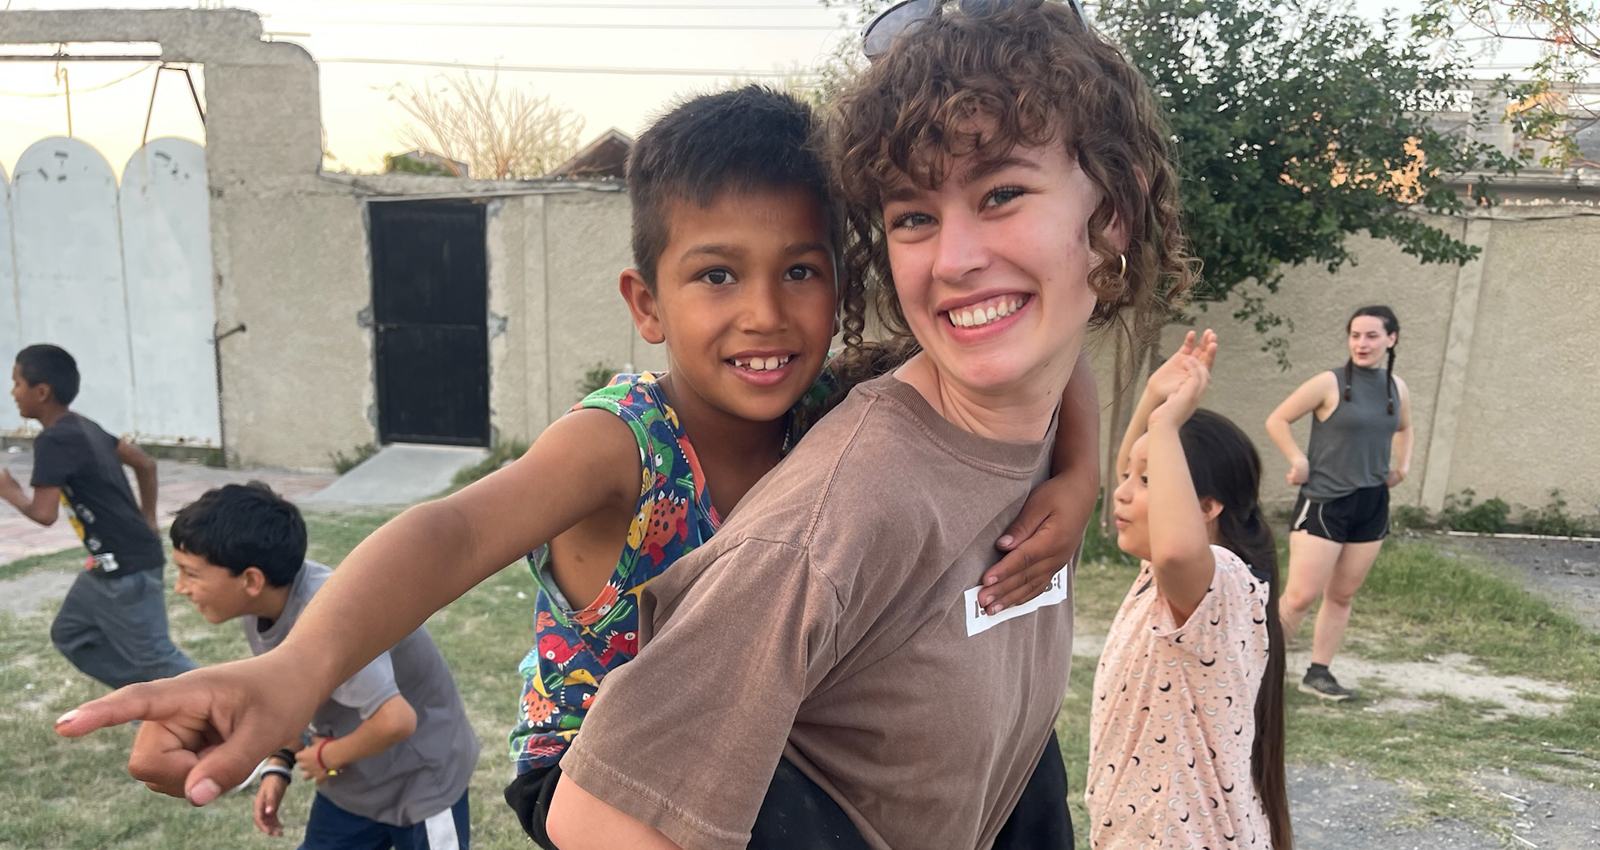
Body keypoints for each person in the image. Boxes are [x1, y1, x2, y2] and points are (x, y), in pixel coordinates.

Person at [55, 78, 1101, 840]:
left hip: (745, 732)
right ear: (645, 302)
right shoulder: (626, 443)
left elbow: (1025, 342)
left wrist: (1078, 468)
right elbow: (451, 529)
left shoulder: (830, 404)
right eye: (715, 276)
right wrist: (294, 667)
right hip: (593, 770)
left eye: (800, 271)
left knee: (1011, 774)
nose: (765, 314)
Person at [536, 2, 1194, 847]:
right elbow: (595, 821)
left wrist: (1081, 471)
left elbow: (1066, 365)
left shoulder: (1027, 403)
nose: (954, 260)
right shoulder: (837, 518)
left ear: (1115, 216)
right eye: (914, 216)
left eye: (1001, 194)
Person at [169, 483, 477, 849]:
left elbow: (396, 719)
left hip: (421, 782)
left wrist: (324, 756)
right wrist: (279, 763)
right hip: (355, 786)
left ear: (251, 580)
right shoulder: (264, 607)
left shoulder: (334, 618)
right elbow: (291, 695)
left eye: (190, 574)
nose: (179, 588)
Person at [1088, 331, 1292, 849]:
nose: (1123, 491)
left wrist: (1164, 422)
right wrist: (1153, 398)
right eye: (1129, 476)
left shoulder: (1220, 585)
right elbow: (1132, 485)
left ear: (1206, 508)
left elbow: (1180, 549)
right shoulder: (1160, 581)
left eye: (1147, 480)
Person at [1, 343, 194, 688]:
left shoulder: (53, 440)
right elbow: (144, 464)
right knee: (71, 633)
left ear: (41, 391)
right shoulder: (83, 425)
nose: (13, 392)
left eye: (16, 383)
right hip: (111, 563)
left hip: (126, 569)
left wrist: (8, 490)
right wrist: (147, 518)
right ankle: (149, 704)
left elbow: (43, 514)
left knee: (157, 657)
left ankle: (238, 711)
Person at [1266, 305, 1413, 701]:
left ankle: (1318, 672)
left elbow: (1404, 427)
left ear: (1390, 339)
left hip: (1371, 503)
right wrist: (1298, 459)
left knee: (1342, 595)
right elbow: (1277, 420)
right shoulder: (1329, 383)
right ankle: (1257, 670)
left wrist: (1404, 467)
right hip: (1325, 501)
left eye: (1371, 336)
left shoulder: (1395, 388)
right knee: (1299, 597)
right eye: (1355, 335)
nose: (1361, 344)